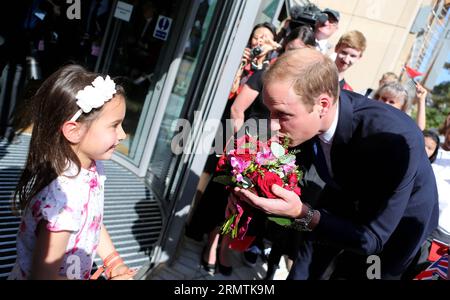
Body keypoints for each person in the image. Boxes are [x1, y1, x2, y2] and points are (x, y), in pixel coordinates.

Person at [230, 47, 439, 279]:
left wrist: (302, 213)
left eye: (282, 115)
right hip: (342, 195)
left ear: (323, 105)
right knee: (305, 267)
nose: (273, 125)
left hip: (394, 230)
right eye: (270, 112)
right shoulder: (308, 117)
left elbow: (372, 238)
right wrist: (247, 192)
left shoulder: (394, 140)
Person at [8, 65, 136, 280]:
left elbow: (92, 219)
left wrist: (113, 260)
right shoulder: (62, 204)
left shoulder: (91, 167)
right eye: (115, 125)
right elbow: (43, 276)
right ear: (73, 131)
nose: (123, 134)